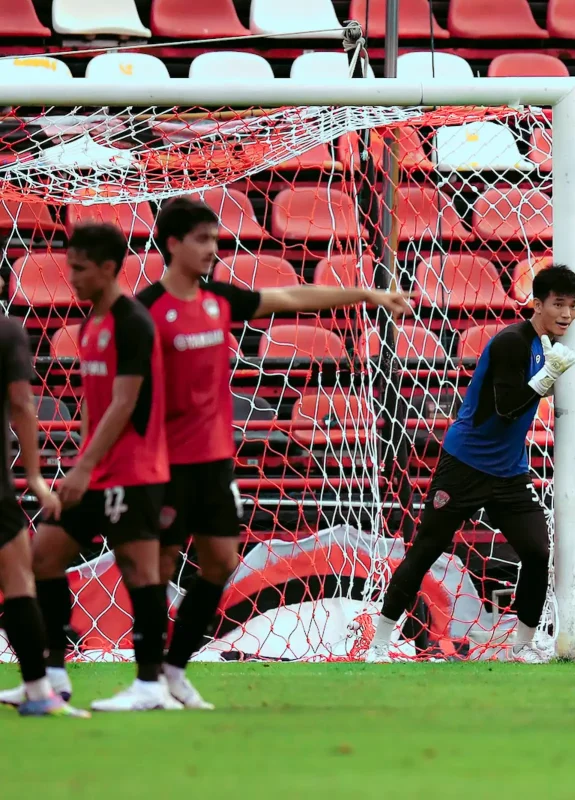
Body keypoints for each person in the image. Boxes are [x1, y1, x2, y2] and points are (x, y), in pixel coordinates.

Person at [137, 197, 411, 708]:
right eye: (202, 240)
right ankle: (148, 679)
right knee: (158, 565)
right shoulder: (146, 311)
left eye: (216, 239)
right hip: (164, 463)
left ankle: (173, 670)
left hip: (215, 462)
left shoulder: (219, 300)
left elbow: (291, 296)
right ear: (172, 244)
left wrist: (366, 294)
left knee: (220, 562)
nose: (213, 249)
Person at [0, 223, 181, 713]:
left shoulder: (134, 322)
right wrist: (81, 461)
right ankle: (53, 675)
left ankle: (149, 683)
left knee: (140, 570)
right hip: (97, 470)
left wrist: (83, 468)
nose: (72, 278)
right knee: (43, 559)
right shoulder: (89, 326)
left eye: (79, 269)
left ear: (106, 268)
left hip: (135, 471)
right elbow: (93, 406)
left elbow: (125, 402)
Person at [365, 265, 575, 664]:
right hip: (464, 466)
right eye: (558, 304)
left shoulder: (544, 345)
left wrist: (548, 375)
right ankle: (379, 642)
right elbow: (503, 409)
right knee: (427, 549)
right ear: (537, 304)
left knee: (537, 552)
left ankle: (522, 646)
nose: (567, 314)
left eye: (573, 305)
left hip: (510, 473)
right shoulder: (512, 342)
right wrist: (545, 379)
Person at [0, 302, 88, 717]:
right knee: (19, 579)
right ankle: (40, 690)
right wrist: (34, 476)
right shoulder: (7, 331)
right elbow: (21, 404)